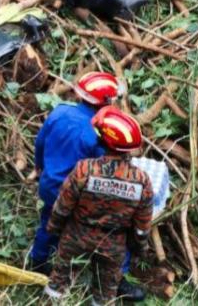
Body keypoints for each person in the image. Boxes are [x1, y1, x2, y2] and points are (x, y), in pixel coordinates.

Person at [30, 71, 146, 301]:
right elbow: (103, 171)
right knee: (113, 233)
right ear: (106, 103)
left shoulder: (60, 111)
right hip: (76, 195)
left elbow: (40, 142)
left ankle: (38, 261)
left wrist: (40, 167)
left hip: (49, 184)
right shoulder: (95, 135)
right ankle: (116, 279)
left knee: (48, 223)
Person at [44, 107, 152, 305]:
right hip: (114, 244)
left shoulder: (84, 169)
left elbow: (63, 206)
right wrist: (140, 249)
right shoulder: (142, 180)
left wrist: (54, 228)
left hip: (76, 236)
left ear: (103, 141)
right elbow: (142, 226)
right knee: (105, 293)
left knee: (58, 283)